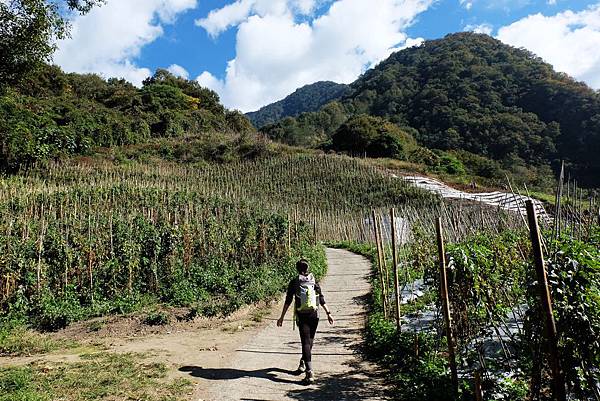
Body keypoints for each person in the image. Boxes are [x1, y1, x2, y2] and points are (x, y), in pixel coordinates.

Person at [277, 259, 334, 384]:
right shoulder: (314, 280)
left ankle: (309, 372)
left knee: (305, 343)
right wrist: (328, 313)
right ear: (308, 268)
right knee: (310, 342)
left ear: (297, 269)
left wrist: (281, 317)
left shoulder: (294, 282)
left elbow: (288, 300)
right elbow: (321, 298)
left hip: (302, 315)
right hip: (314, 315)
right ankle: (304, 362)